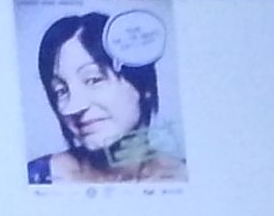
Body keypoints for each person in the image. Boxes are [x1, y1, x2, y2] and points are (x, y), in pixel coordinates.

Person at [25, 12, 186, 185]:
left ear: (143, 86)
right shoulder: (36, 177)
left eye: (94, 80)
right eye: (61, 91)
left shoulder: (187, 176)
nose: (73, 107)